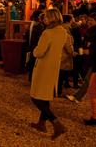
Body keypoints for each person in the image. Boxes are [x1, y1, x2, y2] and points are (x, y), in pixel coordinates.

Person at [29, 8, 67, 140]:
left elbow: (39, 52)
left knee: (36, 97)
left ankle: (56, 123)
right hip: (54, 67)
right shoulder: (63, 31)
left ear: (52, 18)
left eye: (46, 17)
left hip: (43, 67)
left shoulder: (47, 33)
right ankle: (41, 123)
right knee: (45, 96)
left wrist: (34, 51)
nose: (44, 19)